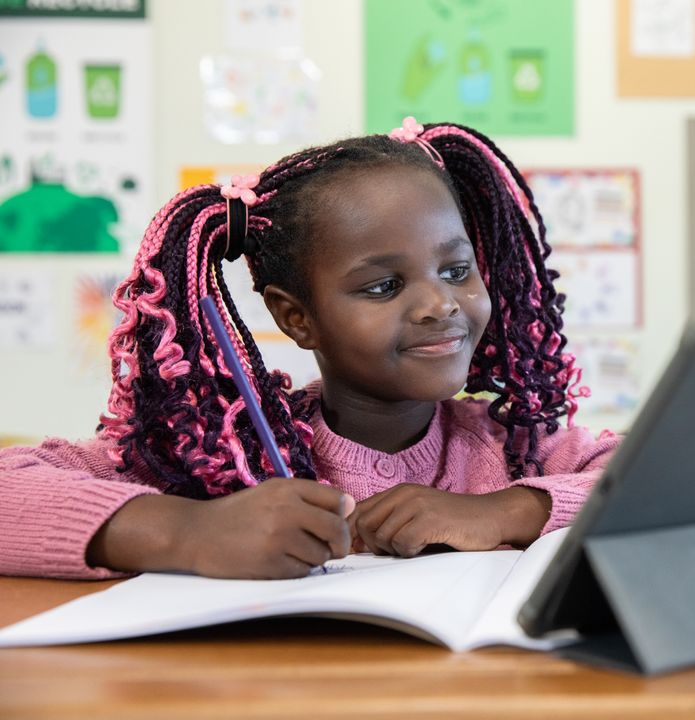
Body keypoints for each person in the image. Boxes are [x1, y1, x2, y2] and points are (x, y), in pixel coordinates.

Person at [0, 119, 619, 580]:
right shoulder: (215, 461)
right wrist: (190, 531)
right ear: (296, 318)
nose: (440, 305)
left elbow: (676, 484)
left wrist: (510, 510)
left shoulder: (517, 449)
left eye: (456, 270)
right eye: (383, 285)